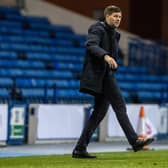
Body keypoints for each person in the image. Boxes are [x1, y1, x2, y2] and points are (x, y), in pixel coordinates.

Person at [72, 5, 154, 158]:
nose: (118, 19)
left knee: (98, 114)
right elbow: (91, 45)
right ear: (107, 16)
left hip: (107, 75)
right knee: (120, 106)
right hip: (101, 77)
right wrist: (106, 56)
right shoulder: (97, 28)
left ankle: (80, 149)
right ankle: (134, 140)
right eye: (115, 16)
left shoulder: (115, 34)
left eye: (120, 17)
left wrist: (111, 59)